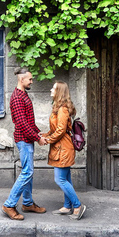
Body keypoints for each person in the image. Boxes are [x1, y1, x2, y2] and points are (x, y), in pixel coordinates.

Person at [2, 67, 48, 221]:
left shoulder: (23, 94)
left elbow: (28, 120)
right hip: (23, 139)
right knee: (27, 172)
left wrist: (38, 132)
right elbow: (21, 123)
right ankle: (9, 204)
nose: (31, 81)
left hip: (27, 138)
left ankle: (27, 203)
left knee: (29, 171)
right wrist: (37, 137)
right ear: (21, 80)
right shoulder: (16, 97)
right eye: (29, 79)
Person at [43, 80, 86, 220]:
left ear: (59, 92)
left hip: (63, 148)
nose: (50, 90)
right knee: (66, 178)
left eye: (53, 88)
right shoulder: (59, 107)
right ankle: (67, 206)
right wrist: (44, 135)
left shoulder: (63, 109)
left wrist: (48, 140)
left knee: (60, 179)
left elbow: (61, 130)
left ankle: (77, 205)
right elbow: (55, 129)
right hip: (62, 146)